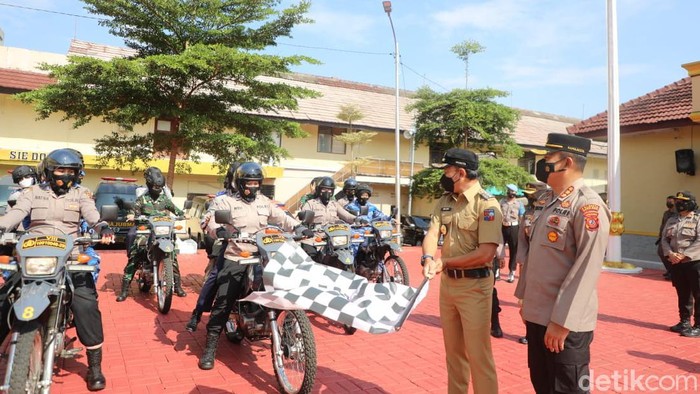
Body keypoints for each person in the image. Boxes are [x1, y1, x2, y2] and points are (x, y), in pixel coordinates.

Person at [0, 148, 114, 391]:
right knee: (5, 295)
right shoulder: (32, 193)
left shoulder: (81, 193)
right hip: (34, 254)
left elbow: (92, 214)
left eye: (71, 170)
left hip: (69, 255)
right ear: (50, 171)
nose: (66, 174)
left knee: (86, 303)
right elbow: (17, 213)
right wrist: (1, 226)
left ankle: (94, 366)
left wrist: (102, 226)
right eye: (61, 169)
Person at [514, 133, 611, 394]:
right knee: (543, 385)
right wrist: (524, 300)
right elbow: (534, 254)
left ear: (566, 162)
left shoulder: (587, 205)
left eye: (547, 158)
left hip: (565, 324)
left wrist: (562, 322)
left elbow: (587, 269)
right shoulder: (546, 201)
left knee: (567, 389)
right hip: (537, 316)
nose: (542, 164)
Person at [198, 162, 309, 370]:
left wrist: (299, 227)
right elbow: (208, 220)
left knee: (285, 287)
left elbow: (282, 218)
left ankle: (289, 331)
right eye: (249, 183)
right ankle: (210, 346)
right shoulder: (225, 201)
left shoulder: (264, 202)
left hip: (266, 253)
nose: (253, 187)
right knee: (224, 299)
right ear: (239, 183)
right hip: (238, 253)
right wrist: (219, 231)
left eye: (256, 183)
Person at [421, 147, 503, 394]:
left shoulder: (487, 204)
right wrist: (427, 257)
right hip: (448, 287)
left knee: (479, 356)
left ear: (461, 172)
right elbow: (432, 233)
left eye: (447, 170)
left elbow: (486, 253)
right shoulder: (445, 201)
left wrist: (445, 263)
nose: (444, 176)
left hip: (475, 287)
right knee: (454, 354)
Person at [117, 167, 187, 301]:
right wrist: (132, 215)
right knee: (135, 254)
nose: (158, 189)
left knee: (172, 255)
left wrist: (183, 214)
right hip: (146, 230)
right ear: (149, 184)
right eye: (156, 186)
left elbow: (175, 209)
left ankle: (177, 286)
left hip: (163, 230)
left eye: (160, 187)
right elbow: (134, 210)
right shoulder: (142, 199)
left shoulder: (165, 199)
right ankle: (124, 290)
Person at [185, 163, 239, 332]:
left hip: (254, 245)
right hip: (228, 243)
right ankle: (198, 312)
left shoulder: (259, 200)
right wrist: (218, 231)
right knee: (215, 275)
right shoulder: (222, 197)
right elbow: (208, 219)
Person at [661, 191, 700, 337]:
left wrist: (683, 255)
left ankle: (698, 325)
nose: (678, 203)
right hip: (676, 262)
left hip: (694, 262)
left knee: (698, 294)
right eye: (677, 201)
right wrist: (670, 254)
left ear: (690, 203)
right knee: (682, 293)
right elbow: (664, 239)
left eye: (682, 201)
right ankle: (684, 322)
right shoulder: (672, 220)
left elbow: (699, 240)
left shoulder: (697, 219)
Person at [514, 180, 549, 345]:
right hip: (529, 264)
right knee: (525, 303)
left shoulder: (550, 212)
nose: (528, 197)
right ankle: (529, 334)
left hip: (547, 265)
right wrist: (521, 262)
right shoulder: (527, 213)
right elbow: (522, 240)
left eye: (531, 194)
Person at [298, 176, 356, 263]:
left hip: (333, 237)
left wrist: (357, 219)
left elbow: (346, 216)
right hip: (315, 236)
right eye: (324, 189)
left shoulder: (334, 204)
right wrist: (304, 227)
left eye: (329, 190)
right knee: (311, 256)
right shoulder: (311, 204)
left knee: (348, 250)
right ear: (319, 190)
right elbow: (303, 218)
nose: (327, 192)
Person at [499, 183, 524, 282]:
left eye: (513, 192)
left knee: (513, 251)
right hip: (502, 226)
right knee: (499, 248)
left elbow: (521, 217)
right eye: (510, 191)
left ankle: (511, 272)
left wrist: (521, 230)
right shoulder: (501, 202)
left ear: (516, 193)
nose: (511, 193)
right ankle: (497, 271)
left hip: (514, 227)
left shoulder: (519, 204)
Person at [656, 195, 676, 280]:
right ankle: (669, 270)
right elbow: (662, 225)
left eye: (670, 202)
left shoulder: (677, 214)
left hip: (673, 238)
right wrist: (660, 235)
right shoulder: (666, 213)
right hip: (664, 238)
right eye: (667, 201)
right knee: (661, 252)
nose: (668, 203)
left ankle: (673, 272)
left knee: (671, 255)